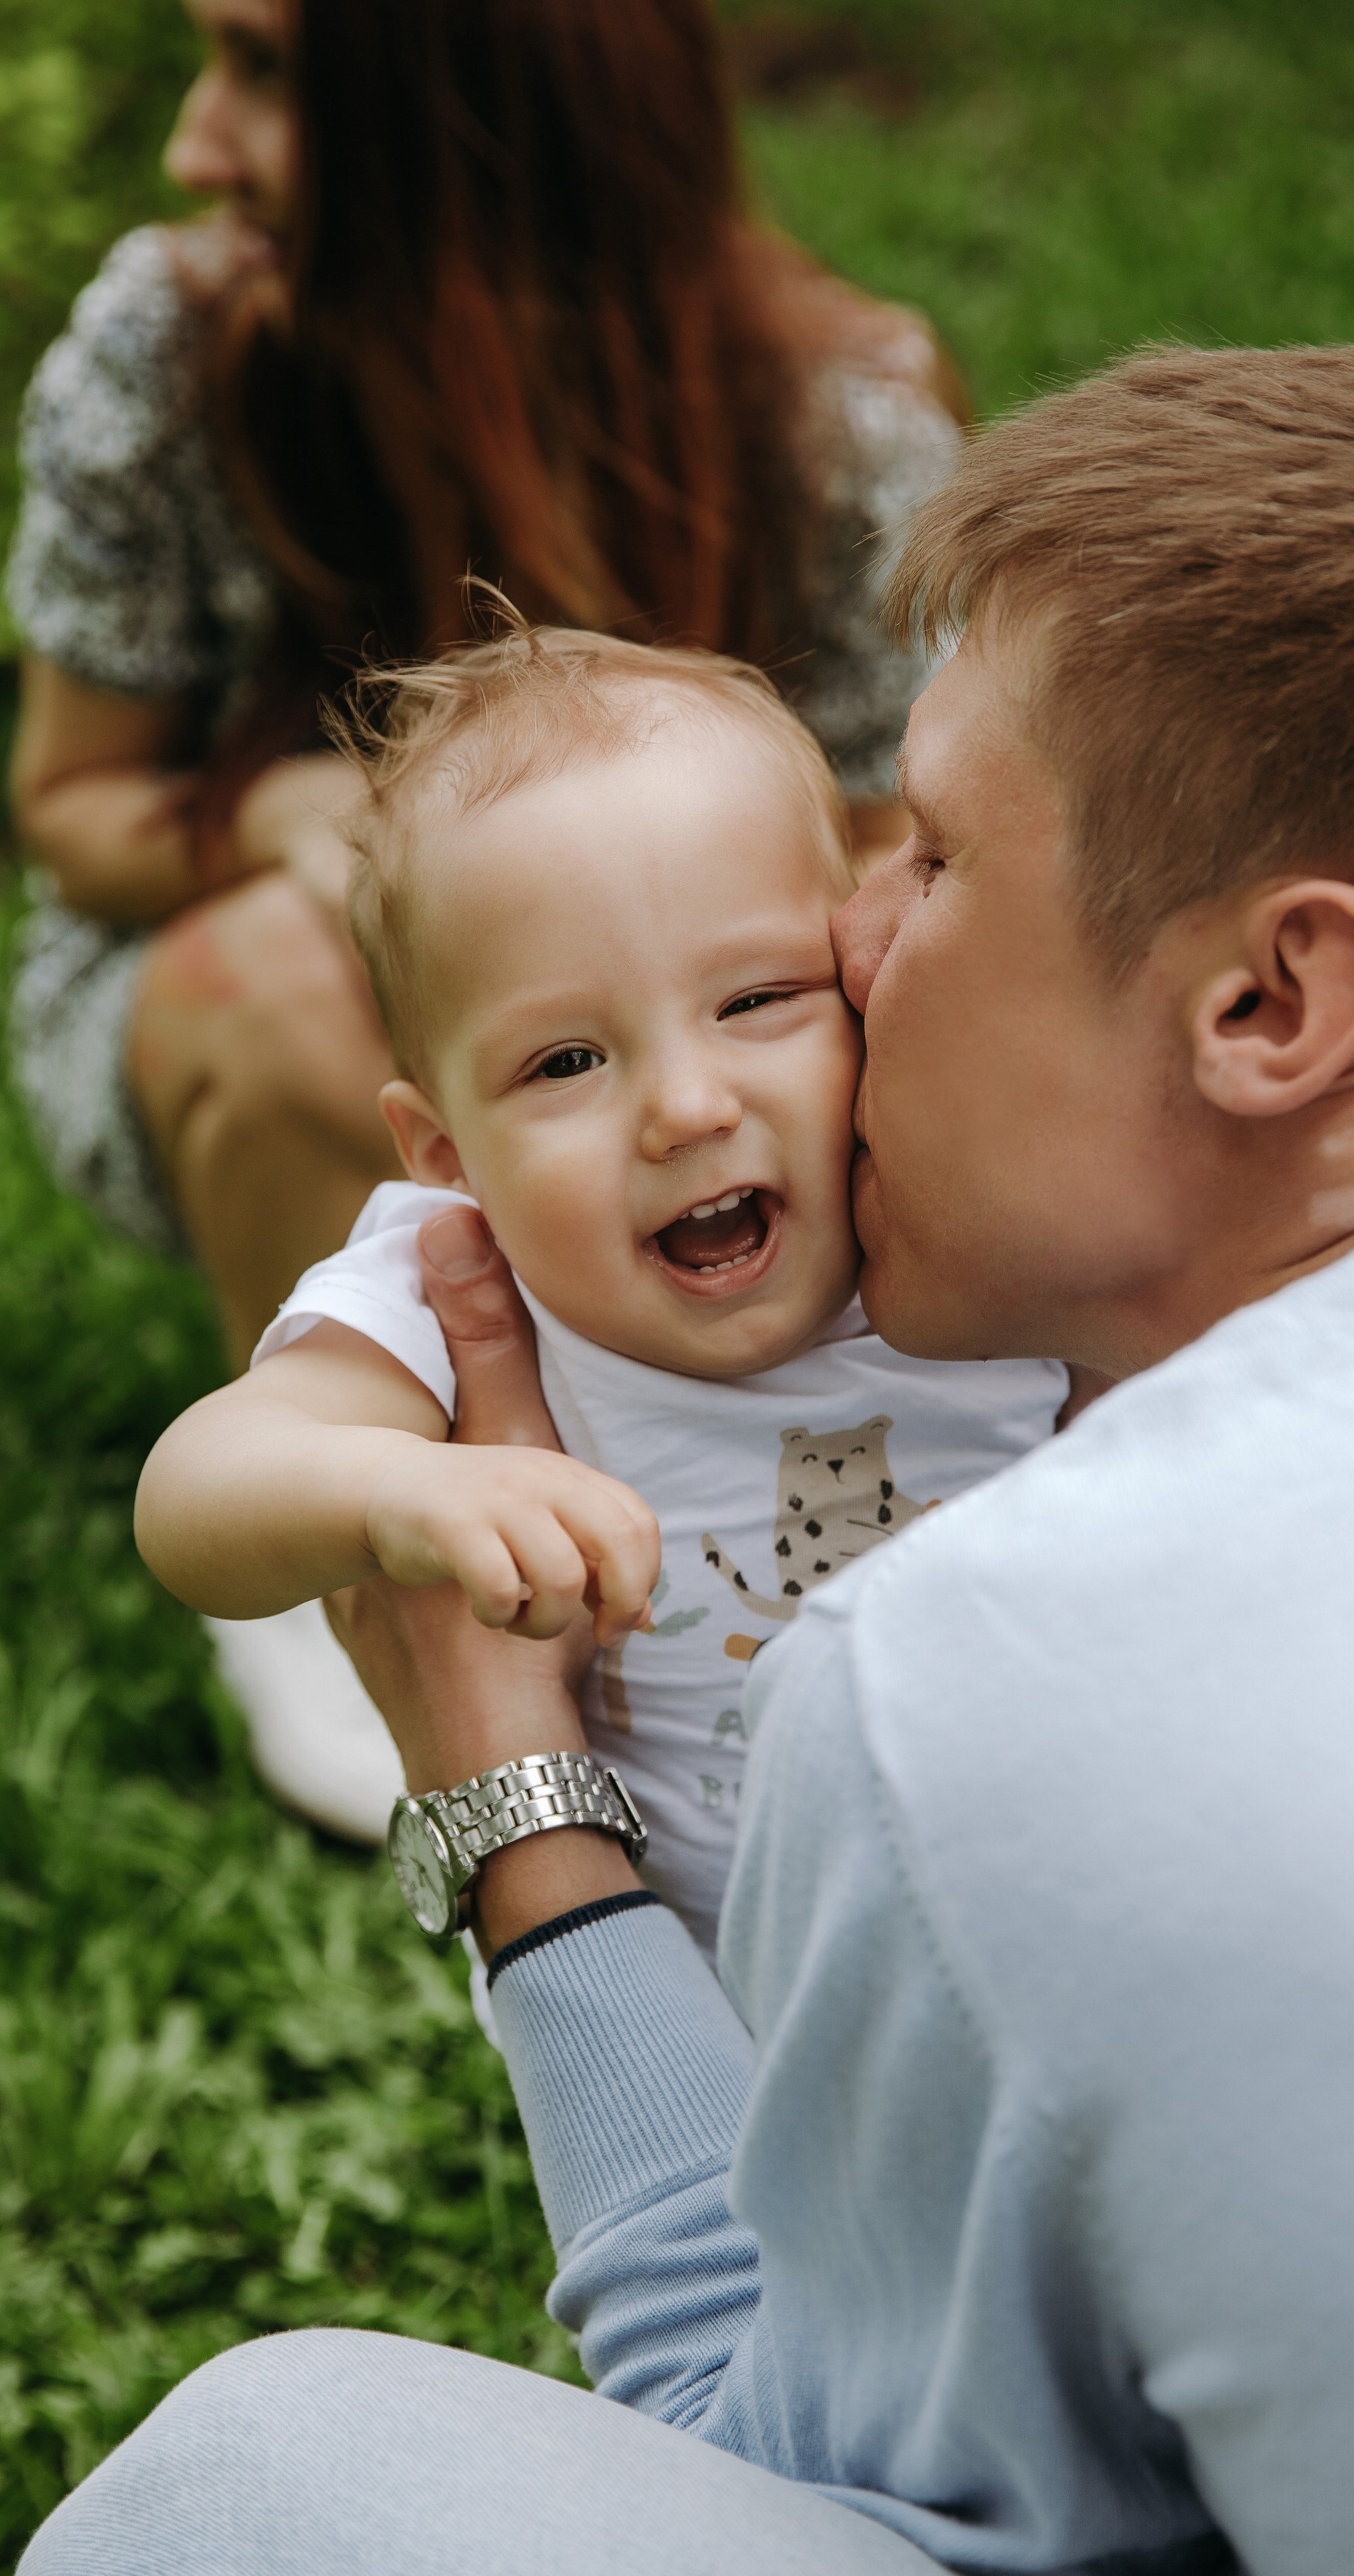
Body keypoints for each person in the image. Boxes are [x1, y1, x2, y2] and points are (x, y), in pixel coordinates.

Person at [1, 341, 1354, 2576]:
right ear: (443, 1128)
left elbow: (770, 2466)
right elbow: (217, 1475)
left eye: (924, 861)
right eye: (570, 1055)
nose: (870, 960)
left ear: (1280, 992)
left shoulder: (1014, 1673)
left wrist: (518, 1817)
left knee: (216, 2535)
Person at [3, 0, 968, 1833]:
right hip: (266, 968)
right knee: (286, 979)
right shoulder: (177, 344)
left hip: (726, 999)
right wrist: (262, 816)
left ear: (487, 108)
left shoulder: (833, 415)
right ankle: (364, 1569)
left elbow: (898, 873)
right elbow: (74, 811)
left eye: (267, 71)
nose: (194, 146)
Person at [134, 626, 1068, 1955]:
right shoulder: (463, 1277)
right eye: (567, 1062)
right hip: (695, 1986)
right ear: (447, 1151)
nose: (689, 1107)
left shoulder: (959, 1185)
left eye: (758, 999)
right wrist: (408, 1490)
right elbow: (192, 1499)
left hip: (1052, 1911)